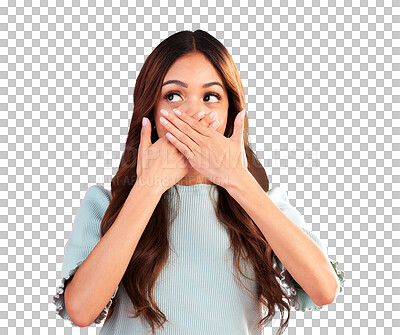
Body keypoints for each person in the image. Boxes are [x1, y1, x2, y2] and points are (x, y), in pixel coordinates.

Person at [53, 30, 345, 334]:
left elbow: (323, 290)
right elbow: (81, 311)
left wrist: (237, 181)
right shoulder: (106, 202)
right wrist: (148, 187)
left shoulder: (262, 202)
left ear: (231, 112)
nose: (193, 113)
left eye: (211, 97)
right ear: (150, 110)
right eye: (173, 96)